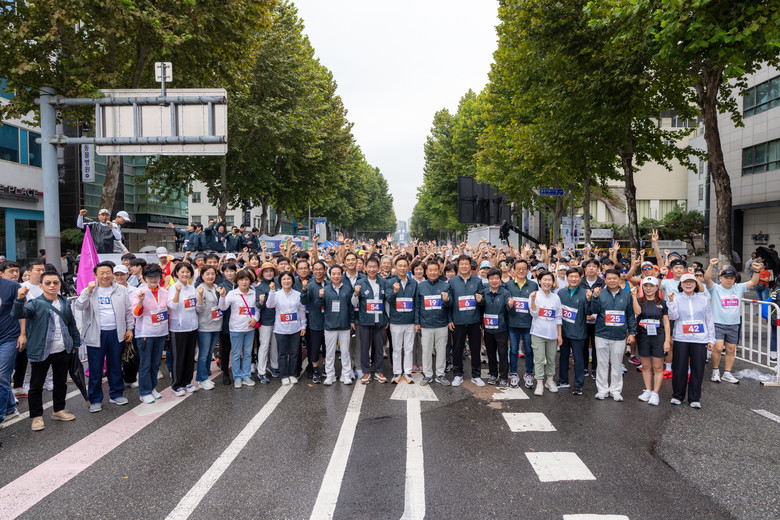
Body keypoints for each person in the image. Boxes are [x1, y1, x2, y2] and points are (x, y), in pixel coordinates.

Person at [11, 271, 80, 431]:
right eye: (48, 283)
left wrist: (76, 343)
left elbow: (71, 324)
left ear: (60, 284)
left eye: (55, 282)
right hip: (41, 350)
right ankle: (36, 416)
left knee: (60, 382)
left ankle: (59, 410)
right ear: (41, 285)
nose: (52, 286)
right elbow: (17, 314)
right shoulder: (35, 303)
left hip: (62, 349)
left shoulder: (65, 302)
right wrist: (19, 299)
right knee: (36, 385)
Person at [73, 261, 133, 412]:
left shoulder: (121, 290)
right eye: (102, 273)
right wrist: (88, 291)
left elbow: (128, 311)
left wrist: (129, 329)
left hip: (116, 333)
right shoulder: (90, 290)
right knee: (96, 368)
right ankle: (95, 399)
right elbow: (79, 306)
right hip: (95, 334)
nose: (105, 276)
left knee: (115, 365)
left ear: (112, 274)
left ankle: (116, 394)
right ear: (95, 275)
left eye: (108, 272)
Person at [704, 259, 761, 384]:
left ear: (735, 279)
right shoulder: (715, 288)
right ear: (721, 278)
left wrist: (757, 271)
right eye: (726, 277)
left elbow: (753, 282)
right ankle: (715, 371)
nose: (729, 280)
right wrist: (711, 265)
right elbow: (707, 279)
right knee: (718, 348)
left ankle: (727, 373)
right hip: (717, 324)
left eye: (731, 278)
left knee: (731, 350)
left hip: (733, 324)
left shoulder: (738, 288)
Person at [667, 273, 715, 408]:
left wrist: (711, 339)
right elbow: (673, 316)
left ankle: (694, 398)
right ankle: (678, 395)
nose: (688, 284)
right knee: (679, 367)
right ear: (681, 285)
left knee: (698, 368)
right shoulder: (676, 298)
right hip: (681, 337)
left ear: (696, 284)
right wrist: (671, 302)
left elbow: (709, 319)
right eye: (685, 282)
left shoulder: (703, 299)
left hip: (700, 339)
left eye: (691, 282)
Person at [589, 269, 637, 401]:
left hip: (619, 335)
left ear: (619, 279)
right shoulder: (600, 293)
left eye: (614, 278)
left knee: (617, 363)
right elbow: (593, 310)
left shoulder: (626, 295)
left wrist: (632, 333)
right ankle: (602, 389)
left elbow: (630, 315)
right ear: (605, 280)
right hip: (601, 334)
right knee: (602, 363)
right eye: (609, 278)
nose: (612, 281)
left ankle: (615, 390)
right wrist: (595, 298)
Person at [132, 265, 169, 404]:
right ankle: (144, 392)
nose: (153, 279)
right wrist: (140, 301)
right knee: (145, 364)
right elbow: (136, 314)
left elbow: (168, 311)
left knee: (155, 363)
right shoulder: (139, 292)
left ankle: (153, 387)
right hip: (145, 333)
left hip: (161, 332)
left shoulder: (164, 292)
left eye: (156, 276)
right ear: (145, 278)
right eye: (150, 277)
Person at [631, 276, 670, 406]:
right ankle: (648, 390)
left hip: (659, 337)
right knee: (646, 366)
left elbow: (666, 323)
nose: (648, 288)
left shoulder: (662, 303)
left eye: (651, 286)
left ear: (656, 288)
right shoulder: (638, 301)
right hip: (643, 337)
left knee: (658, 367)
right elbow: (637, 312)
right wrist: (633, 296)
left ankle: (655, 393)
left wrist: (667, 341)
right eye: (646, 286)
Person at [448, 254, 486, 387]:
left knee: (475, 349)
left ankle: (476, 375)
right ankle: (458, 374)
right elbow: (449, 303)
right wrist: (450, 319)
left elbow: (483, 301)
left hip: (474, 321)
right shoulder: (452, 282)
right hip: (458, 321)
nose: (464, 266)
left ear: (471, 266)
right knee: (457, 349)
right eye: (462, 264)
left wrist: (481, 301)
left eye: (466, 264)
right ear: (458, 266)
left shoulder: (477, 281)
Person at [219, 269, 259, 388]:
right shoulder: (232, 294)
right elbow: (223, 307)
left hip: (249, 329)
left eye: (246, 279)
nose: (244, 282)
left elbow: (257, 310)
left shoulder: (253, 293)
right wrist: (222, 297)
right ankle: (237, 377)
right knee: (236, 354)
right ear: (237, 281)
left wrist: (255, 319)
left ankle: (246, 376)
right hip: (236, 329)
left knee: (247, 354)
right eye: (241, 279)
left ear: (250, 281)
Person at [266, 271, 307, 385]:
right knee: (282, 353)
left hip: (295, 328)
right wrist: (271, 291)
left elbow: (302, 311)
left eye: (289, 279)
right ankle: (284, 375)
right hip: (281, 329)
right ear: (280, 281)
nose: (286, 281)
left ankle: (293, 374)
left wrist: (303, 326)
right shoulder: (276, 294)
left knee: (294, 353)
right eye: (284, 279)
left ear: (292, 281)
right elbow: (269, 305)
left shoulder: (298, 294)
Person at [352, 256, 389, 384]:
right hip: (365, 320)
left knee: (379, 347)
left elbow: (386, 302)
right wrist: (355, 293)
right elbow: (354, 303)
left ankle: (379, 371)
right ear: (365, 268)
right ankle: (366, 371)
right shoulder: (360, 283)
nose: (372, 269)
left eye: (374, 267)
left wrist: (387, 318)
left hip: (380, 320)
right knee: (364, 347)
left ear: (378, 268)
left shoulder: (383, 282)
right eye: (369, 267)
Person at [415, 260, 452, 386]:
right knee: (426, 351)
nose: (433, 272)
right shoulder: (420, 286)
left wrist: (447, 300)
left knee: (441, 350)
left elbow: (450, 305)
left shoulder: (445, 286)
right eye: (430, 270)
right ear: (426, 272)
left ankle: (440, 374)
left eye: (435, 270)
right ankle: (428, 375)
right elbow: (417, 306)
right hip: (426, 325)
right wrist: (417, 322)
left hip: (441, 324)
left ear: (439, 271)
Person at [317, 265, 355, 385]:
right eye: (333, 274)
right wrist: (320, 297)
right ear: (329, 275)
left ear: (342, 275)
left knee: (345, 352)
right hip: (330, 325)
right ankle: (330, 375)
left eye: (338, 273)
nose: (336, 276)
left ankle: (346, 375)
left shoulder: (347, 288)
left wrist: (352, 321)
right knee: (330, 352)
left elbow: (351, 306)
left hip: (344, 325)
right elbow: (318, 305)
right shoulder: (325, 289)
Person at [557, 268, 591, 395]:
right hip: (563, 332)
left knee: (578, 359)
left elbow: (589, 312)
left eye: (576, 276)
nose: (573, 279)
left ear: (580, 278)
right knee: (563, 357)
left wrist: (589, 300)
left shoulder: (585, 293)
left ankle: (578, 384)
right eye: (571, 276)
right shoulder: (561, 293)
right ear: (567, 278)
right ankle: (563, 380)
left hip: (578, 332)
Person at [529, 271, 563, 396]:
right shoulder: (534, 295)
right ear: (539, 281)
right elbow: (533, 313)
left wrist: (559, 335)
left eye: (549, 280)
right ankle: (539, 383)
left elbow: (558, 317)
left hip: (552, 334)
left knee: (551, 359)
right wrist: (533, 300)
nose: (547, 282)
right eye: (544, 279)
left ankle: (550, 380)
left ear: (553, 282)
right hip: (538, 333)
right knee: (538, 359)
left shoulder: (556, 297)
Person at [168, 262, 200, 396]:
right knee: (179, 357)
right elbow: (172, 306)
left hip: (192, 326)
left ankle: (187, 382)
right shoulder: (173, 288)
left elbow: (196, 306)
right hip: (178, 328)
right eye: (182, 272)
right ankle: (176, 385)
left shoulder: (192, 288)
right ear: (177, 273)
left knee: (189, 356)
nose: (185, 274)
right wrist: (177, 292)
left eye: (187, 272)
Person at [506, 259, 538, 389]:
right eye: (518, 268)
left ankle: (529, 373)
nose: (521, 271)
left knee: (529, 350)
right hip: (513, 322)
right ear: (513, 270)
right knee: (513, 350)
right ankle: (513, 373)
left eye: (524, 268)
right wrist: (510, 306)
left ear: (528, 270)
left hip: (528, 323)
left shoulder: (533, 285)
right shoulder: (508, 285)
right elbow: (506, 304)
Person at [386, 256, 417, 384]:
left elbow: (416, 303)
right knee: (397, 349)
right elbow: (388, 300)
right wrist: (394, 291)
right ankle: (397, 372)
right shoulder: (390, 282)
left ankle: (408, 372)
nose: (402, 268)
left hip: (410, 322)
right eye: (400, 266)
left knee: (409, 348)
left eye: (405, 266)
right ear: (396, 267)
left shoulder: (414, 283)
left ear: (408, 267)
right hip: (396, 321)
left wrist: (416, 322)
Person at [481, 268, 514, 388]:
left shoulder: (505, 293)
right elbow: (480, 307)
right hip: (488, 329)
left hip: (501, 329)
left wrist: (511, 306)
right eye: (491, 279)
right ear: (488, 280)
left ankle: (503, 377)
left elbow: (510, 310)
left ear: (500, 279)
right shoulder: (484, 292)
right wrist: (479, 301)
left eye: (496, 278)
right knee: (490, 353)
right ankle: (493, 374)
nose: (494, 281)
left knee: (503, 353)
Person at [194, 265, 225, 390]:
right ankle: (201, 378)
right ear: (202, 276)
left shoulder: (217, 287)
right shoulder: (200, 289)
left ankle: (205, 376)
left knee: (209, 353)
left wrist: (223, 296)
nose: (210, 276)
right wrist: (200, 297)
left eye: (213, 274)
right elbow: (198, 309)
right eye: (207, 274)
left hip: (216, 325)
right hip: (204, 326)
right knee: (203, 354)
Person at [0, 261, 21, 429]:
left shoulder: (13, 286)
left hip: (9, 337)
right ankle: (10, 407)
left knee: (1, 376)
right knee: (2, 377)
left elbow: (22, 311)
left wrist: (23, 334)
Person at [301, 260, 328, 384]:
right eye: (316, 269)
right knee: (315, 348)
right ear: (312, 270)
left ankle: (327, 369)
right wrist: (304, 289)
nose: (318, 271)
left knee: (328, 348)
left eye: (320, 269)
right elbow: (304, 301)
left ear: (325, 270)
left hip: (329, 322)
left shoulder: (329, 284)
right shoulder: (310, 285)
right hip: (315, 322)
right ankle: (315, 371)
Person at [580, 258, 606, 380]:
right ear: (585, 269)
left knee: (597, 346)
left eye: (594, 266)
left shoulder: (603, 284)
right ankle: (584, 367)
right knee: (583, 344)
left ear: (598, 269)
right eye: (589, 266)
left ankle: (595, 369)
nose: (591, 268)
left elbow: (604, 302)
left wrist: (595, 315)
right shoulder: (580, 283)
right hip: (583, 319)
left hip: (598, 320)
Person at [255, 262, 280, 380]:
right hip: (265, 320)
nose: (269, 273)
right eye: (266, 271)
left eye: (271, 271)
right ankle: (261, 371)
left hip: (278, 320)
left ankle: (274, 366)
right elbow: (258, 305)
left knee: (275, 345)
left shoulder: (278, 284)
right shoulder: (260, 287)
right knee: (264, 345)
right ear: (262, 273)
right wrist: (260, 302)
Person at [218, 263, 238, 384]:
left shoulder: (240, 284)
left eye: (231, 270)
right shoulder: (221, 286)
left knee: (237, 350)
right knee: (226, 349)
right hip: (226, 322)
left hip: (239, 322)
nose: (229, 273)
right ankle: (225, 373)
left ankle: (237, 372)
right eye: (226, 271)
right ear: (223, 273)